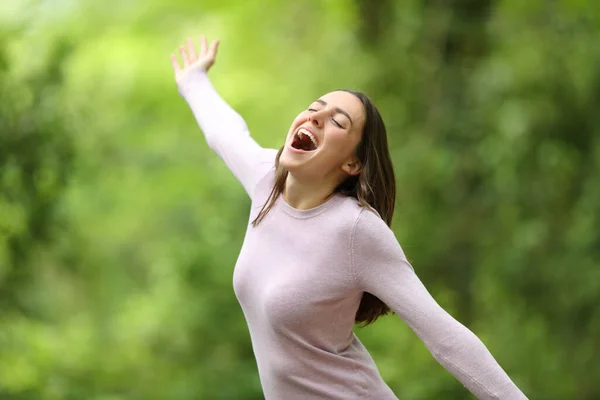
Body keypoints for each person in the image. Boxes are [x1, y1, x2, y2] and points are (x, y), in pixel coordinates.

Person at [170, 35, 528, 400]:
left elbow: (444, 336)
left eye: (337, 122)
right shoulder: (267, 179)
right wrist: (193, 81)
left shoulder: (355, 230)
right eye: (315, 107)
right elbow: (225, 132)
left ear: (352, 163)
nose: (317, 117)